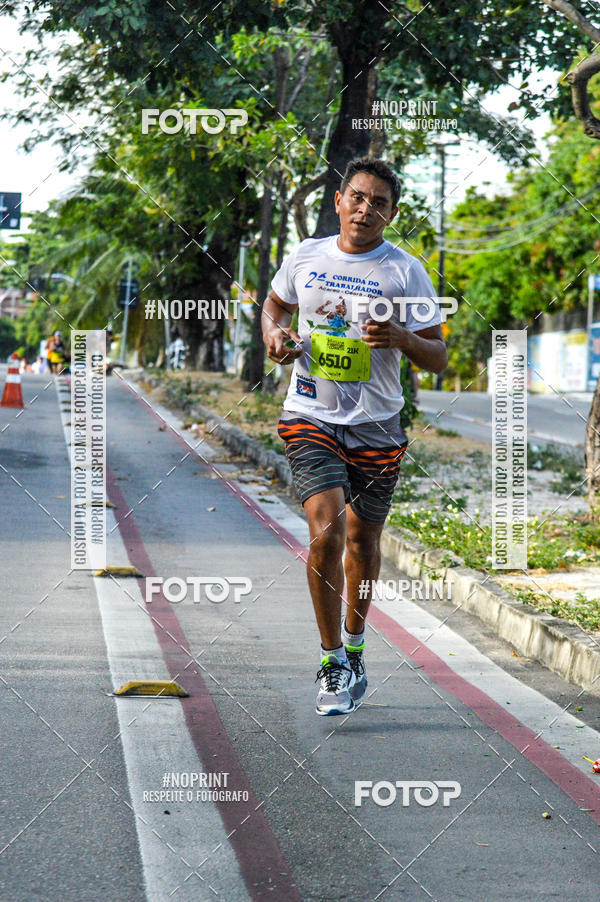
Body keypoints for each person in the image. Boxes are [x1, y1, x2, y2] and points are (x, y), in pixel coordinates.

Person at [262, 157, 448, 716]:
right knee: (327, 531)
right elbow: (275, 306)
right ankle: (331, 661)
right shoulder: (306, 255)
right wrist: (275, 336)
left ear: (392, 214)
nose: (366, 210)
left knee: (364, 543)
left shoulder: (406, 272)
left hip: (377, 424)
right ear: (340, 200)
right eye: (358, 198)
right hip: (310, 414)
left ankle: (357, 647)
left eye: (379, 203)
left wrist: (401, 338)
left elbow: (438, 356)